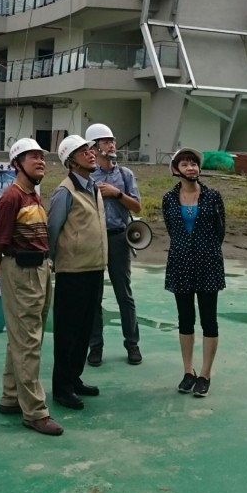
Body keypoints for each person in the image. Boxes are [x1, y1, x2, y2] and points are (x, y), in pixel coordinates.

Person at [0, 139, 63, 437]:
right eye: (33, 156)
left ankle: (10, 397)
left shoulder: (33, 196)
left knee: (21, 338)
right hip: (22, 271)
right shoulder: (12, 198)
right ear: (17, 164)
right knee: (29, 341)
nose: (40, 161)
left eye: (42, 157)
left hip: (39, 270)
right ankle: (35, 412)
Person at [48, 135, 107, 410]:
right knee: (68, 331)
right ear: (71, 161)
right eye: (83, 151)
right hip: (72, 272)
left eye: (90, 149)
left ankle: (75, 378)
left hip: (94, 268)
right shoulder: (65, 192)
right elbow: (52, 230)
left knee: (84, 329)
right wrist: (54, 262)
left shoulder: (93, 187)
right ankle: (62, 387)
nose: (91, 153)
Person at [162, 147, 226, 398]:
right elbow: (171, 229)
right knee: (185, 319)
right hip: (180, 263)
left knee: (209, 320)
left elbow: (220, 231)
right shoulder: (168, 198)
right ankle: (188, 371)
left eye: (194, 164)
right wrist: (187, 248)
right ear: (176, 170)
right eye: (185, 164)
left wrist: (204, 249)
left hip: (208, 262)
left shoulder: (213, 196)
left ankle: (205, 374)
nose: (191, 168)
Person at [84, 123, 142, 367]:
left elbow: (137, 207)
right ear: (95, 148)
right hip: (94, 238)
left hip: (118, 237)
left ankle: (132, 344)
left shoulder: (125, 175)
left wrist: (116, 193)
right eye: (106, 141)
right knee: (93, 294)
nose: (112, 145)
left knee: (123, 293)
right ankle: (95, 346)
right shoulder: (87, 176)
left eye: (113, 140)